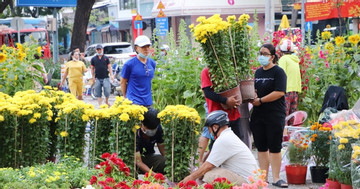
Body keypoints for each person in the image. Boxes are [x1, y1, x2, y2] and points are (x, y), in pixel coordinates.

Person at [182, 110, 258, 185]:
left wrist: (190, 178)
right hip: (249, 178)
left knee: (210, 175)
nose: (209, 132)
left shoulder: (223, 139)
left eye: (209, 129)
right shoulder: (227, 136)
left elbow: (208, 166)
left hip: (247, 182)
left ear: (215, 127)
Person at [250, 44, 288, 188]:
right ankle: (263, 178)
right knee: (261, 147)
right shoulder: (258, 73)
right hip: (259, 115)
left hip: (274, 114)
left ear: (272, 57)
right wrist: (252, 95)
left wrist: (260, 100)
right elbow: (255, 89)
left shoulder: (278, 72)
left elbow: (279, 92)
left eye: (265, 54)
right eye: (260, 53)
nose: (261, 56)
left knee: (274, 146)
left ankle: (277, 178)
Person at [120, 35, 156, 107]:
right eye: (143, 47)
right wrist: (125, 97)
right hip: (134, 102)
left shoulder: (152, 63)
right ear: (136, 48)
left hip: (148, 102)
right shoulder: (129, 64)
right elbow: (123, 82)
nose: (146, 49)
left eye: (148, 46)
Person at [136, 108, 166, 174]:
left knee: (163, 161)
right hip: (135, 159)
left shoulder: (158, 129)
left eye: (153, 129)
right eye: (148, 129)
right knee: (130, 166)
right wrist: (154, 175)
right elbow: (138, 162)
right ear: (141, 124)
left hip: (149, 157)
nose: (151, 132)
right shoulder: (135, 132)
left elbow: (163, 151)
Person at [278, 39, 301, 117]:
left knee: (284, 116)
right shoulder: (295, 60)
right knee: (292, 117)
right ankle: (292, 129)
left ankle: (284, 130)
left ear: (281, 51)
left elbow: (280, 75)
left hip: (286, 91)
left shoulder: (283, 59)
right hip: (295, 91)